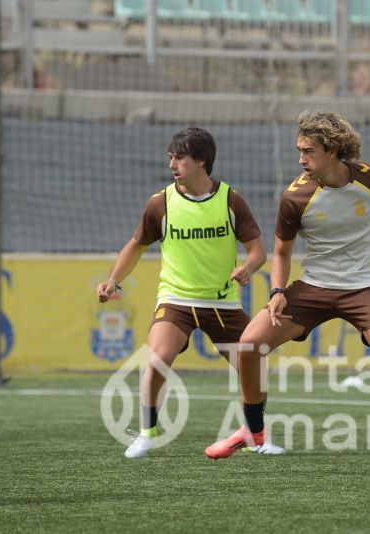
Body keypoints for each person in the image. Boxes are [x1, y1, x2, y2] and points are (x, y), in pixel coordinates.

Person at [205, 110, 370, 478]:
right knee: (249, 346)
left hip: (364, 289)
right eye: (299, 150)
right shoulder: (294, 197)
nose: (301, 159)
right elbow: (282, 253)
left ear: (332, 150)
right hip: (313, 288)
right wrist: (278, 290)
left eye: (308, 151)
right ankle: (253, 431)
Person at [96, 127, 284, 458]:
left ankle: (257, 436)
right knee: (156, 361)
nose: (172, 163)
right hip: (176, 301)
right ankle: (147, 433)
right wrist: (114, 280)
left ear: (201, 161)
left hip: (222, 303)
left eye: (179, 157)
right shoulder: (160, 203)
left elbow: (258, 250)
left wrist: (248, 268)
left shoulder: (230, 200)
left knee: (253, 365)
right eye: (170, 157)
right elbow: (136, 245)